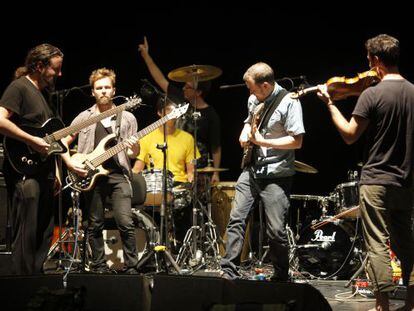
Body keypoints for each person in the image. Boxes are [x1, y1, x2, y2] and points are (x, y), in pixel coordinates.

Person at [316, 34, 414, 311]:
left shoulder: (372, 94)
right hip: (406, 181)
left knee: (378, 244)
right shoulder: (413, 92)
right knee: (407, 243)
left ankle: (382, 304)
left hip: (376, 180)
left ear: (375, 59)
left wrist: (330, 104)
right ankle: (411, 304)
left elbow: (349, 135)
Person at [220, 62, 305, 281]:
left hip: (277, 174)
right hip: (252, 170)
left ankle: (280, 274)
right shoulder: (253, 100)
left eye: (252, 87)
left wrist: (263, 141)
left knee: (275, 231)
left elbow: (297, 141)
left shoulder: (289, 102)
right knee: (236, 219)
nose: (250, 92)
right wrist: (245, 131)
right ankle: (229, 271)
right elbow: (249, 122)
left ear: (265, 86)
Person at [61, 68, 141, 274]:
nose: (103, 91)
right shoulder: (84, 117)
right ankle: (98, 265)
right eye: (99, 88)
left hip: (119, 175)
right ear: (93, 92)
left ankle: (132, 266)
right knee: (95, 224)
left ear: (114, 90)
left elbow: (134, 153)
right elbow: (62, 141)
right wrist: (70, 163)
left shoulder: (128, 118)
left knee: (125, 221)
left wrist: (133, 146)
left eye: (107, 87)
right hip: (91, 175)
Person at [0, 43, 64, 275]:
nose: (59, 74)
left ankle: (36, 280)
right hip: (25, 171)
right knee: (27, 229)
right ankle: (21, 285)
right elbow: (0, 120)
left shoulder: (44, 96)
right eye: (55, 69)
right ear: (39, 66)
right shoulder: (19, 87)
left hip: (45, 171)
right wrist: (31, 140)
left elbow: (51, 138)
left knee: (44, 230)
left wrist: (57, 171)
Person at [138, 36, 221, 183]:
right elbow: (160, 79)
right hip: (174, 160)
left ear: (198, 92)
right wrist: (146, 56)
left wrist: (216, 172)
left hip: (198, 167)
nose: (183, 88)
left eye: (187, 87)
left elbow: (215, 147)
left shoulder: (211, 114)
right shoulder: (180, 99)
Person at [132, 97, 200, 245]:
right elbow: (138, 168)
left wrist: (190, 184)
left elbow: (191, 172)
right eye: (170, 111)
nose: (174, 115)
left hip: (178, 186)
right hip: (154, 187)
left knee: (184, 210)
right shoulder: (147, 137)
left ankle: (181, 245)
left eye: (176, 111)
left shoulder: (187, 138)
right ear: (160, 113)